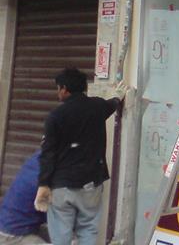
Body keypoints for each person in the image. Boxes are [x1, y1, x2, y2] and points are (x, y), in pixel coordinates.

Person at [35, 68, 121, 245]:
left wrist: (43, 184)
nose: (58, 93)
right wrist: (118, 97)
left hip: (62, 186)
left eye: (58, 88)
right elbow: (112, 104)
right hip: (91, 184)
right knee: (88, 229)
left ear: (64, 89)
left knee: (61, 234)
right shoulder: (97, 106)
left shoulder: (55, 117)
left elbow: (48, 153)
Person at [0, 150, 46, 243]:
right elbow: (56, 214)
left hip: (10, 226)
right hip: (13, 236)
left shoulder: (37, 160)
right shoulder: (44, 177)